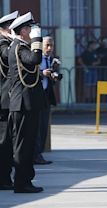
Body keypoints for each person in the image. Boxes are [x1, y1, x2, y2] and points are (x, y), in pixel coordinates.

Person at [8, 12, 44, 193]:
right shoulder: (19, 48)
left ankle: (25, 180)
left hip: (26, 102)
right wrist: (37, 40)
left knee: (28, 143)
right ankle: (21, 182)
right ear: (23, 31)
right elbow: (35, 59)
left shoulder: (20, 46)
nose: (31, 31)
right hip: (22, 103)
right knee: (23, 144)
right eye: (29, 29)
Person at [34, 36, 61, 165]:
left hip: (46, 96)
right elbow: (30, 73)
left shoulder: (51, 59)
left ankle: (39, 153)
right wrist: (42, 73)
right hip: (36, 96)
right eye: (47, 45)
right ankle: (35, 154)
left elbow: (52, 79)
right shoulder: (36, 58)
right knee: (37, 127)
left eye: (51, 45)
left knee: (44, 127)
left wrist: (54, 75)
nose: (49, 48)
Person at [0, 10, 18, 190]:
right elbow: (8, 57)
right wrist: (16, 41)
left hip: (7, 99)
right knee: (4, 142)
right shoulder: (2, 44)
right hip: (3, 100)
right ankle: (3, 178)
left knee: (8, 142)